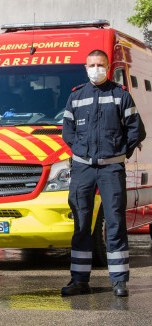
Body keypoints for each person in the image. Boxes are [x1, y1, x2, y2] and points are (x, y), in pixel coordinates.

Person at [61, 49, 146, 297]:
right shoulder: (76, 96)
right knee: (81, 224)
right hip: (82, 169)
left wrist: (120, 153)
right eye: (91, 64)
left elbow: (135, 131)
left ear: (108, 67)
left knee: (115, 223)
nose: (95, 68)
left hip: (111, 168)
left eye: (100, 64)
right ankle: (79, 280)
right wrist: (81, 152)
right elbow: (67, 131)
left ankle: (119, 281)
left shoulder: (121, 96)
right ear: (85, 67)